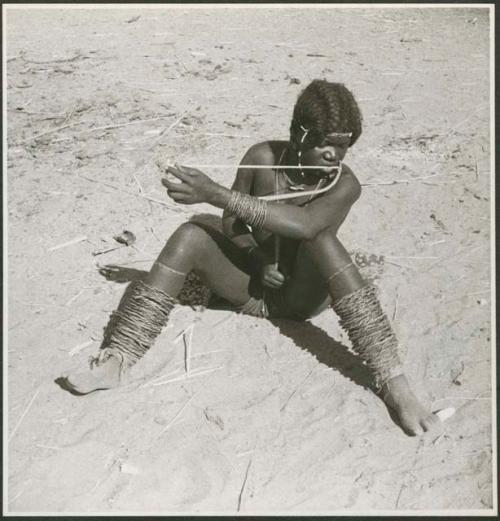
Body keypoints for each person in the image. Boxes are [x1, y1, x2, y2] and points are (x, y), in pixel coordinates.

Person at [61, 79, 439, 437]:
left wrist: (214, 192)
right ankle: (117, 360)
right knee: (190, 233)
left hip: (301, 297)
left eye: (343, 146)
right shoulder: (261, 157)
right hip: (251, 287)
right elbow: (232, 223)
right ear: (299, 135)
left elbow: (306, 226)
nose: (334, 154)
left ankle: (394, 383)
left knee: (322, 240)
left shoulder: (344, 184)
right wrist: (258, 258)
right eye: (325, 143)